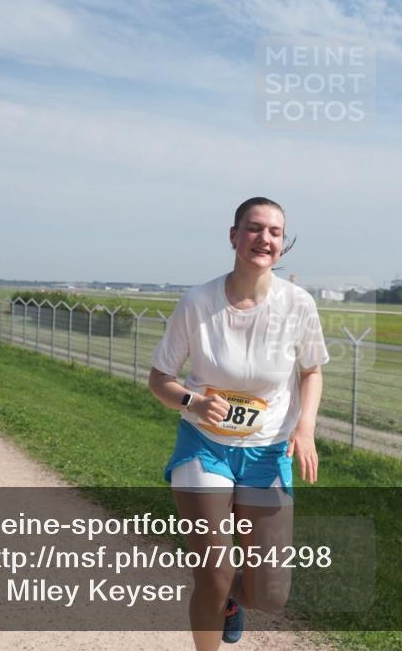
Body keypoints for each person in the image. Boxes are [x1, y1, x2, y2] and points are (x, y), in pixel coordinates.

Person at [148, 197, 329, 650]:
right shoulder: (197, 302)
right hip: (204, 447)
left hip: (268, 453)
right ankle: (215, 602)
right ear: (234, 236)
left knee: (271, 594)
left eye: (274, 232)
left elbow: (311, 371)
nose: (263, 239)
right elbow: (159, 380)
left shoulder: (298, 305)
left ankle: (231, 601)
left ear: (282, 246)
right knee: (213, 571)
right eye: (254, 228)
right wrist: (192, 401)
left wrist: (304, 429)